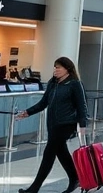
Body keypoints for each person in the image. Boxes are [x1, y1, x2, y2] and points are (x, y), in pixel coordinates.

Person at [15, 56, 87, 193]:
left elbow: (82, 106)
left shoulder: (75, 84)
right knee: (61, 151)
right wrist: (28, 112)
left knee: (49, 152)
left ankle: (34, 188)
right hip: (53, 124)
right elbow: (44, 103)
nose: (56, 70)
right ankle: (75, 178)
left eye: (59, 67)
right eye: (55, 67)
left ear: (67, 69)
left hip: (67, 123)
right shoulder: (53, 83)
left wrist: (82, 125)